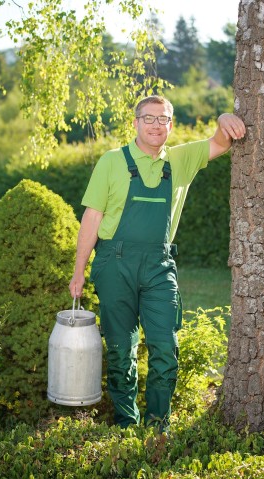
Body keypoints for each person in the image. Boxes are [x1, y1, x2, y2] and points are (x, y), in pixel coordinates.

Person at [69, 95, 246, 432]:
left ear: (170, 125)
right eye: (147, 118)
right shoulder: (111, 161)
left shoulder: (181, 159)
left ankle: (157, 428)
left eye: (162, 119)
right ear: (135, 123)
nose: (154, 124)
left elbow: (221, 142)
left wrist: (225, 116)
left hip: (159, 266)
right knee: (121, 348)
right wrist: (79, 270)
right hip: (113, 262)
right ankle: (125, 423)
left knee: (165, 346)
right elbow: (92, 217)